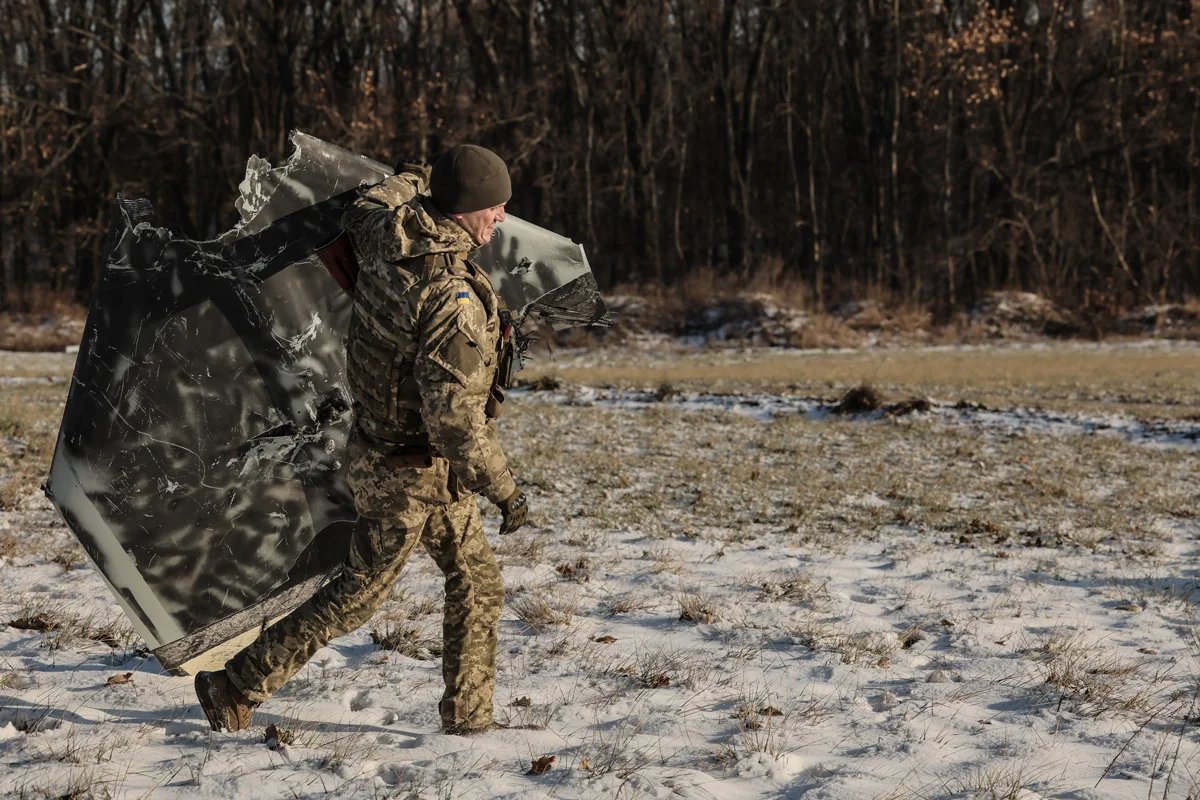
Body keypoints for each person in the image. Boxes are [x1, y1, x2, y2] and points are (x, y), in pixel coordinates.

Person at [195, 144, 528, 735]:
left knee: (477, 582)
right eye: (494, 208)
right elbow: (455, 422)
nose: (501, 219)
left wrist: (415, 179)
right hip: (411, 471)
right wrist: (504, 489)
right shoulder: (447, 299)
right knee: (357, 595)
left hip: (393, 452)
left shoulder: (383, 234)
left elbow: (375, 200)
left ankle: (470, 722)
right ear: (463, 211)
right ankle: (235, 685)